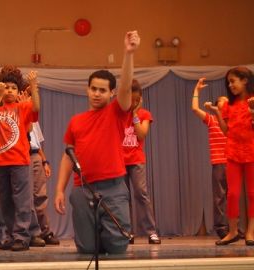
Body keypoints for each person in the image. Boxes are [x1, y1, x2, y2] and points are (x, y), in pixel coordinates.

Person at [54, 31, 140, 254]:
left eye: (102, 90)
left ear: (112, 93)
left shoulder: (116, 113)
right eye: (93, 89)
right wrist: (60, 190)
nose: (97, 94)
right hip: (83, 190)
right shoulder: (76, 121)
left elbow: (126, 86)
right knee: (87, 249)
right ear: (87, 89)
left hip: (113, 188)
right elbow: (67, 156)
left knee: (118, 245)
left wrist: (128, 53)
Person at [0, 66, 40, 251]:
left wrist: (33, 86)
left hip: (19, 161)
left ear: (19, 91)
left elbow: (36, 108)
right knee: (5, 201)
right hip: (0, 161)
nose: (9, 90)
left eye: (13, 88)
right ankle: (10, 235)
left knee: (22, 200)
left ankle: (22, 236)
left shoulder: (22, 107)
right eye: (6, 87)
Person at [213, 67, 254, 246]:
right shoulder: (229, 105)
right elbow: (225, 131)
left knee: (253, 194)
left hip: (252, 152)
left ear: (245, 80)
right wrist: (219, 113)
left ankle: (251, 232)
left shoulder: (253, 102)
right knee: (233, 194)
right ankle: (232, 232)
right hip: (233, 152)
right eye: (228, 83)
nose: (230, 85)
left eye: (233, 81)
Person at [122, 79, 160, 245]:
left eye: (137, 100)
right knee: (123, 197)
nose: (134, 102)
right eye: (131, 99)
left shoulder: (144, 114)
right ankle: (126, 232)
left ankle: (151, 232)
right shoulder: (118, 114)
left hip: (136, 160)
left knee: (141, 194)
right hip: (119, 161)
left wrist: (135, 114)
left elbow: (141, 135)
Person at [191, 78, 229, 239]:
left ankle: (236, 227)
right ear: (216, 105)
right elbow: (194, 109)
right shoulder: (212, 120)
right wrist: (197, 91)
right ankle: (221, 227)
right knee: (219, 197)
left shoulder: (233, 121)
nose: (225, 103)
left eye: (227, 102)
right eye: (222, 101)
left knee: (234, 195)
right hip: (219, 162)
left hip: (234, 162)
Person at [28, 122, 60, 245]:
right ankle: (31, 233)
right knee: (26, 197)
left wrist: (44, 161)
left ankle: (45, 231)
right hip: (23, 154)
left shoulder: (34, 120)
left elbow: (37, 143)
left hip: (36, 155)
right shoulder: (17, 112)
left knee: (40, 195)